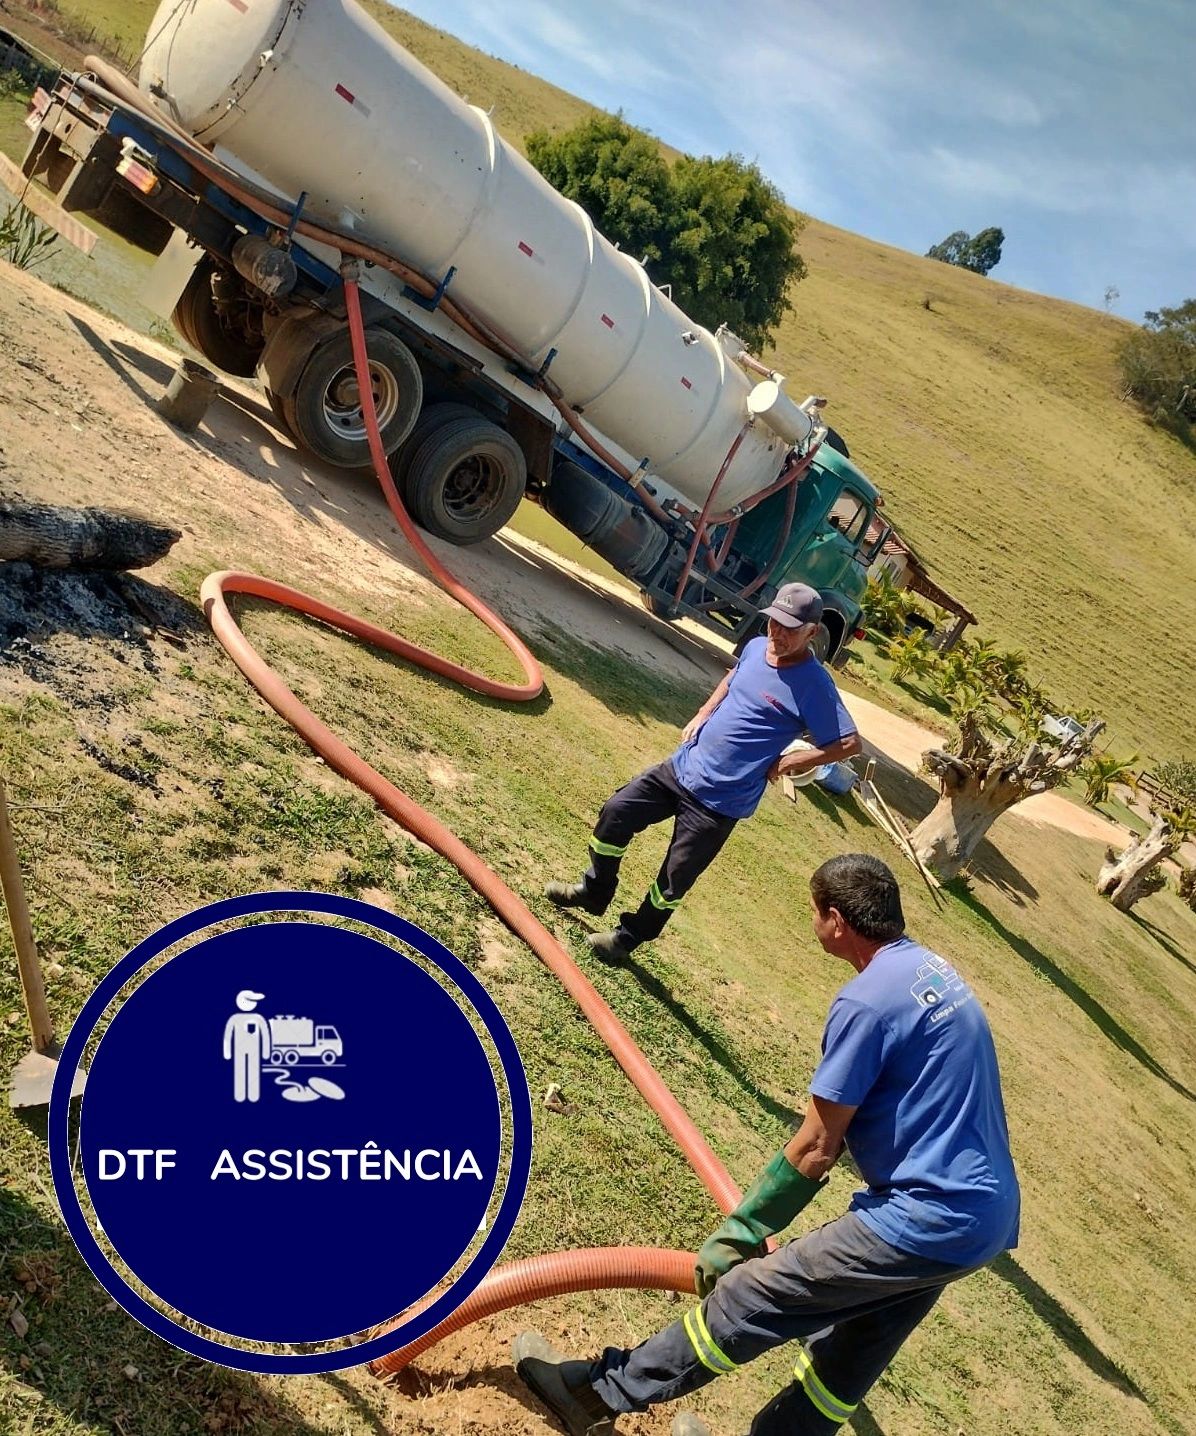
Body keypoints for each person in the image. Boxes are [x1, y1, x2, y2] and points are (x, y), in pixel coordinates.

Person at [515, 853, 1021, 1435]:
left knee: (750, 1296)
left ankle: (594, 1395)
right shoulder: (933, 970)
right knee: (853, 1349)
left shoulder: (866, 1002)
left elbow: (815, 1149)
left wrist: (741, 1232)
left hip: (928, 1216)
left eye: (813, 914)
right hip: (983, 1220)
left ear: (835, 920)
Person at [545, 583, 861, 963]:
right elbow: (733, 677)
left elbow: (849, 743)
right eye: (773, 622)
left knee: (673, 881)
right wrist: (703, 712)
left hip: (720, 803)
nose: (777, 633)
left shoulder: (816, 685)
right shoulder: (757, 647)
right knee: (616, 812)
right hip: (682, 768)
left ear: (812, 632)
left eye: (789, 627)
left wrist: (798, 760)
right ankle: (595, 890)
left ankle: (626, 939)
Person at [222, 989, 271, 1103]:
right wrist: (227, 1052)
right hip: (239, 1049)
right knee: (239, 1071)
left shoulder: (259, 1018)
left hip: (254, 1050)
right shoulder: (234, 1019)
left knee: (254, 1072)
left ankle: (254, 1095)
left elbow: (265, 1035)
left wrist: (266, 1051)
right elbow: (227, 1036)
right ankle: (240, 1095)